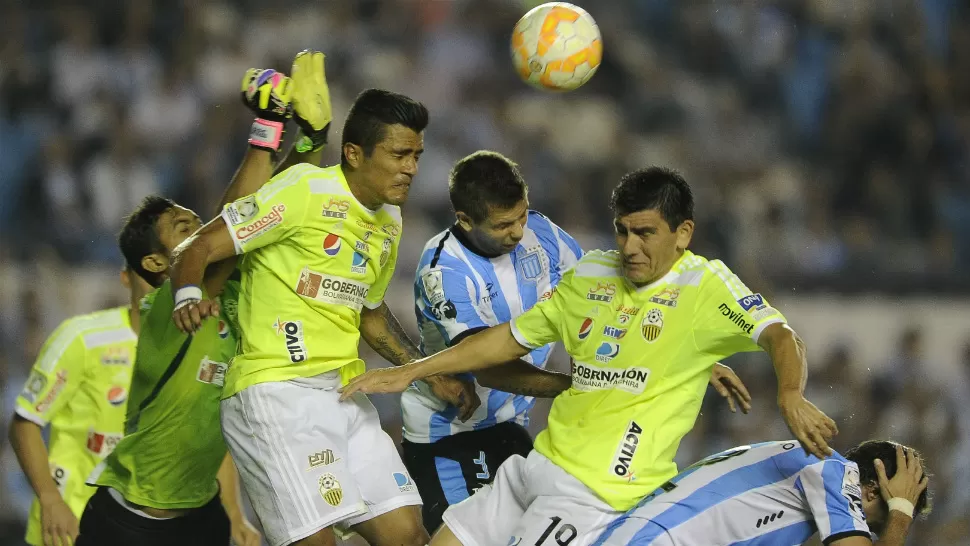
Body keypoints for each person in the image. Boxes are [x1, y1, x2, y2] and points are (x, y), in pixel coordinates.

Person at [340, 167, 837, 546]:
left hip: (593, 496)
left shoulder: (706, 285)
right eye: (623, 231)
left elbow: (780, 335)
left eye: (645, 233)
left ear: (682, 233)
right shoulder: (593, 271)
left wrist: (790, 393)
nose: (629, 247)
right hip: (534, 466)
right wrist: (412, 371)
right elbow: (504, 340)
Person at [169, 87, 479, 546]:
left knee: (408, 537)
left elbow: (368, 314)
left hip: (343, 393)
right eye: (398, 154)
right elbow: (199, 245)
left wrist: (425, 373)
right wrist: (188, 296)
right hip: (276, 393)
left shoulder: (389, 220)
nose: (411, 167)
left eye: (416, 155)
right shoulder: (302, 190)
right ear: (354, 153)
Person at [403, 151, 752, 533]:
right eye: (504, 224)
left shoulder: (543, 235)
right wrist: (587, 387)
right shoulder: (444, 268)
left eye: (522, 215)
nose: (519, 231)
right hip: (453, 434)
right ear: (465, 220)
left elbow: (600, 300)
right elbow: (489, 367)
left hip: (511, 428)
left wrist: (681, 355)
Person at [76, 52, 332, 546]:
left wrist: (310, 140)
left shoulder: (230, 294)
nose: (204, 233)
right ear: (154, 264)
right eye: (184, 229)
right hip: (130, 522)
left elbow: (265, 210)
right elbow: (236, 218)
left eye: (201, 224)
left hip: (201, 515)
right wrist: (267, 125)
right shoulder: (167, 309)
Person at [8, 267, 150, 546]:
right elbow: (24, 423)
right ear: (126, 277)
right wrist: (50, 499)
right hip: (74, 521)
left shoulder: (193, 345)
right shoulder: (83, 339)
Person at [592, 440, 930, 546]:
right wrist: (900, 513)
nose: (866, 535)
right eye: (873, 526)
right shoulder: (832, 468)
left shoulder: (793, 501)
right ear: (871, 491)